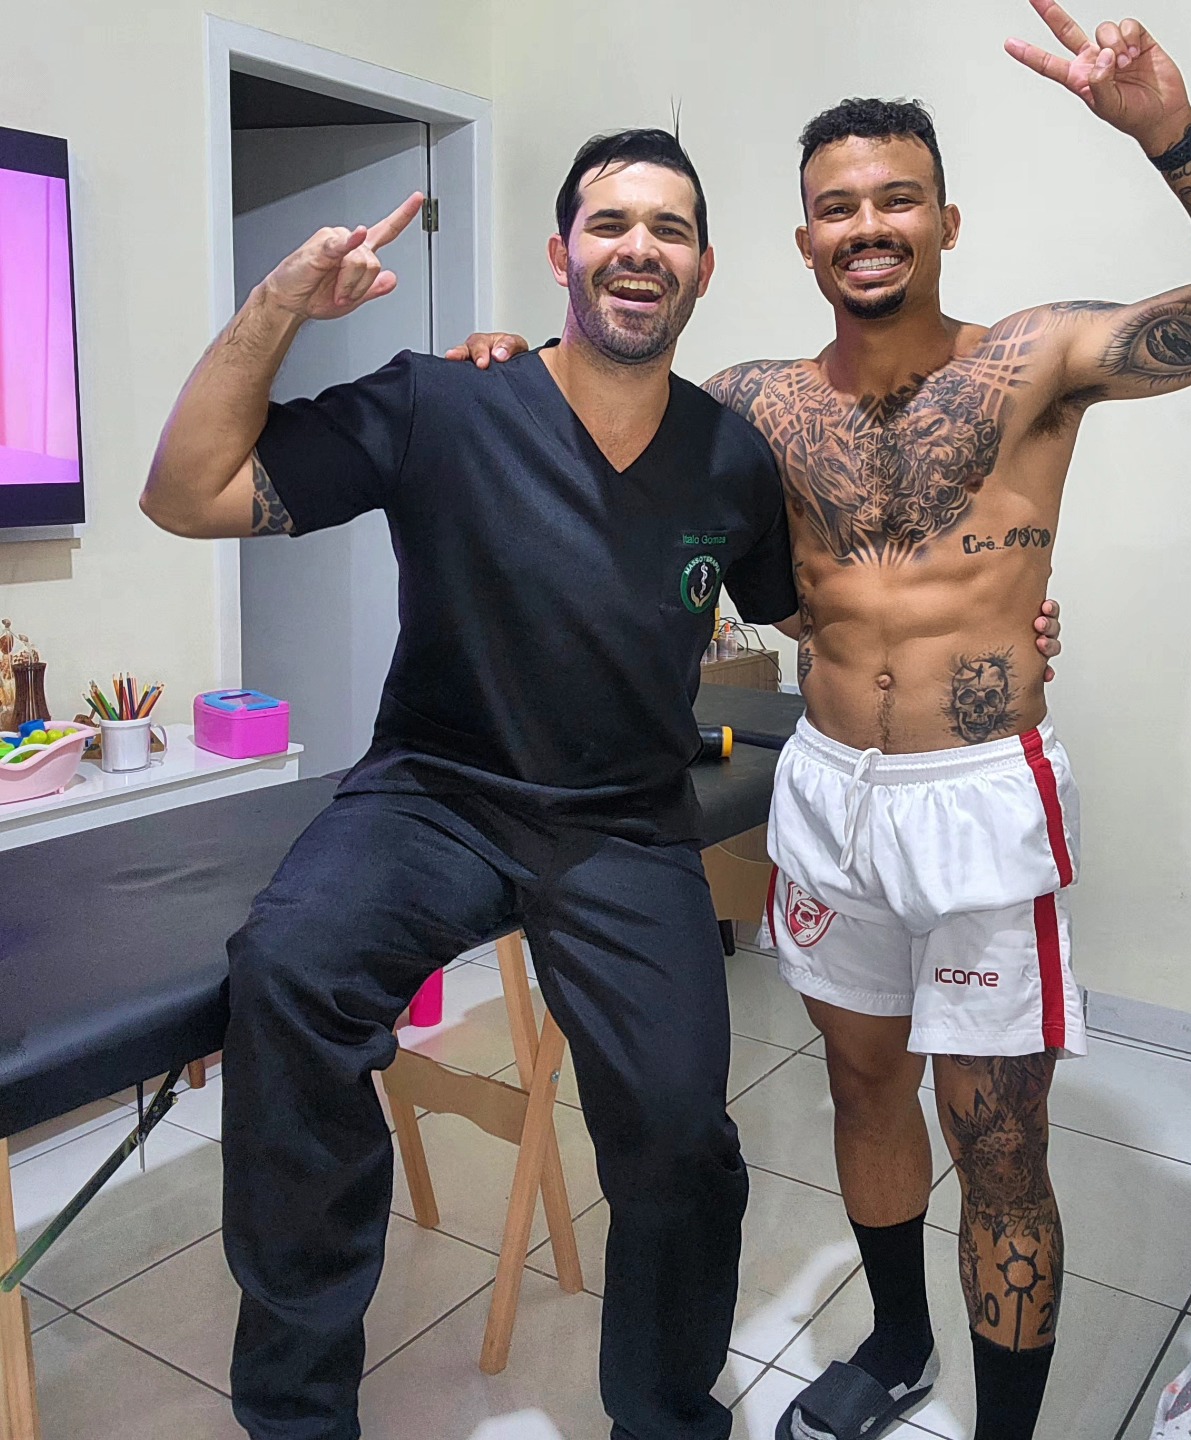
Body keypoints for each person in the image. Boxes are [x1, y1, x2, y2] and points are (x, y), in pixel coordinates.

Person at [457, 5, 1191, 1438]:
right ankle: (900, 1340)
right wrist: (505, 356)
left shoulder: (1035, 360)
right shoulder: (750, 405)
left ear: (945, 220)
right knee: (863, 1088)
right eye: (838, 207)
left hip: (978, 794)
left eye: (896, 198)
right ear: (802, 240)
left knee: (1000, 1140)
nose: (868, 226)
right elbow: (596, 418)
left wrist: (1169, 132)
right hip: (828, 788)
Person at [141, 129, 805, 1440]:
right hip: (435, 794)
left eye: (670, 229)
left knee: (683, 1139)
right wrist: (281, 304)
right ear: (561, 253)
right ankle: (296, 1415)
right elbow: (186, 493)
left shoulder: (733, 462)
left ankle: (667, 1417)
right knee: (289, 976)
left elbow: (811, 608)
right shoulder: (441, 405)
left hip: (625, 824)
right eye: (610, 223)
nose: (639, 248)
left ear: (704, 268)